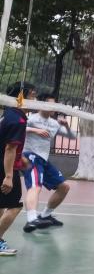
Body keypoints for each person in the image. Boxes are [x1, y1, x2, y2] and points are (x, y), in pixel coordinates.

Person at [21, 92, 75, 233]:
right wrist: (34, 130)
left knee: (64, 187)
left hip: (44, 160)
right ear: (40, 104)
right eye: (50, 104)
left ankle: (45, 215)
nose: (53, 107)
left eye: (54, 105)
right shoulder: (31, 119)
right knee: (35, 187)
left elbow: (72, 137)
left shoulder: (54, 124)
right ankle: (31, 219)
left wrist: (66, 126)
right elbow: (17, 127)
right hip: (30, 157)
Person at [0, 82, 32, 256]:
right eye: (33, 95)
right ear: (22, 97)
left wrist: (21, 159)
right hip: (4, 167)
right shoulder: (18, 120)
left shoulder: (8, 114)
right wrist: (8, 176)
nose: (36, 99)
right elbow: (10, 148)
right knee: (15, 205)